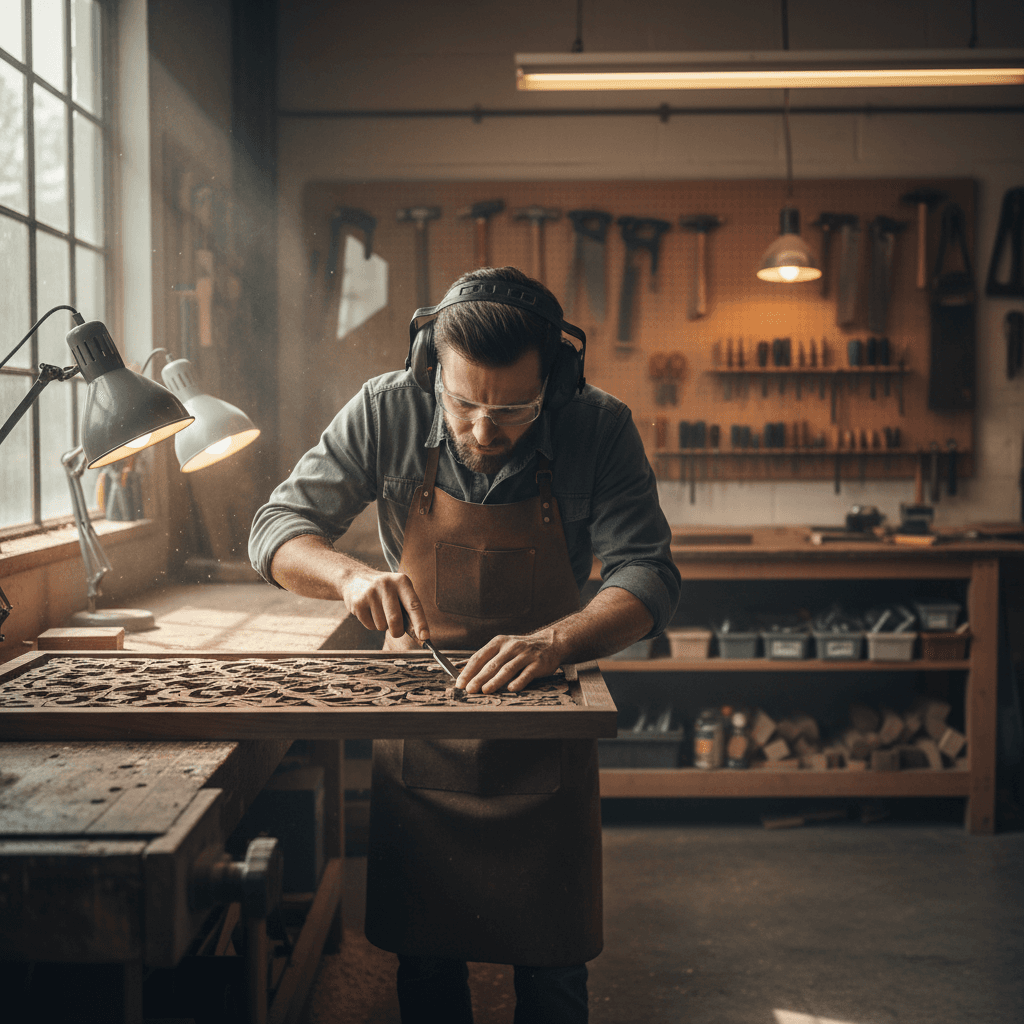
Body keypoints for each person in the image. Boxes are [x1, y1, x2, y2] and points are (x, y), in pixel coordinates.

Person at [249, 266, 681, 1023]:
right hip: (424, 728)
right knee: (426, 957)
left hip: (545, 724)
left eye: (515, 408)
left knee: (553, 967)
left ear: (557, 379)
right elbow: (275, 530)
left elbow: (648, 573)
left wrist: (557, 640)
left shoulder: (597, 424)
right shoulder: (386, 407)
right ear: (429, 371)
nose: (484, 430)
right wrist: (350, 577)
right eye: (463, 402)